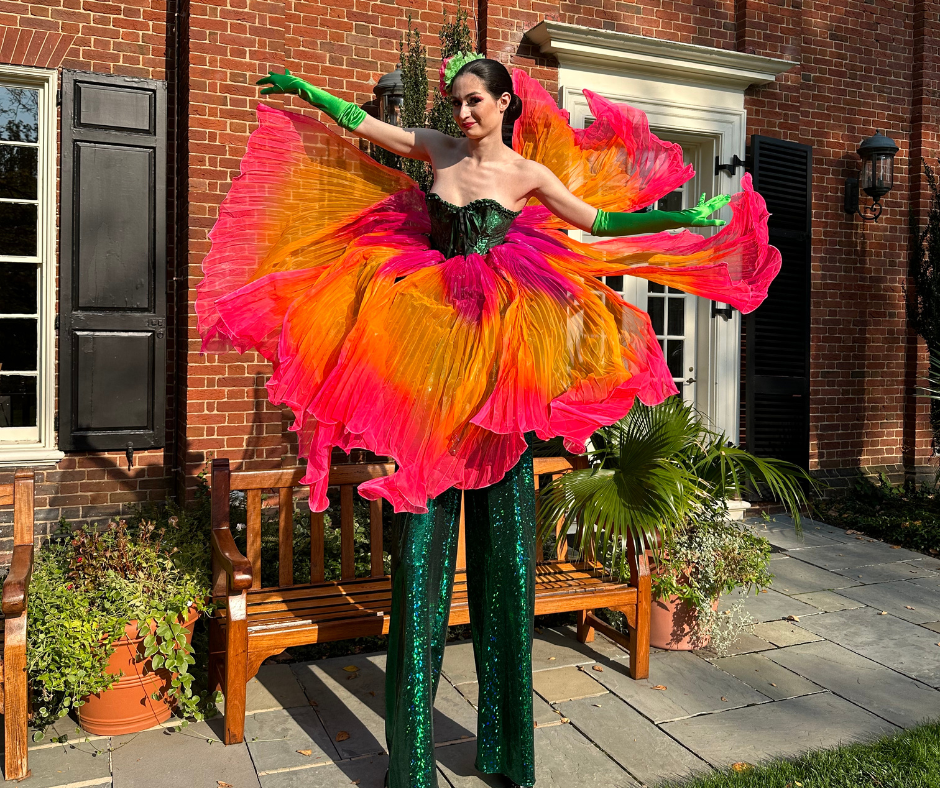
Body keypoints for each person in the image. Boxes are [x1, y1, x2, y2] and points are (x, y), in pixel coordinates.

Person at [196, 53, 780, 788]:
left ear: (504, 104)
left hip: (501, 391)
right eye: (455, 103)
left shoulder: (528, 177)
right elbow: (366, 125)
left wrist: (685, 219)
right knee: (418, 570)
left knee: (508, 576)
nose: (461, 114)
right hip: (437, 386)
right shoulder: (436, 150)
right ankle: (409, 767)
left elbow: (600, 223)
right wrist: (308, 91)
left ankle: (508, 755)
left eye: (474, 102)